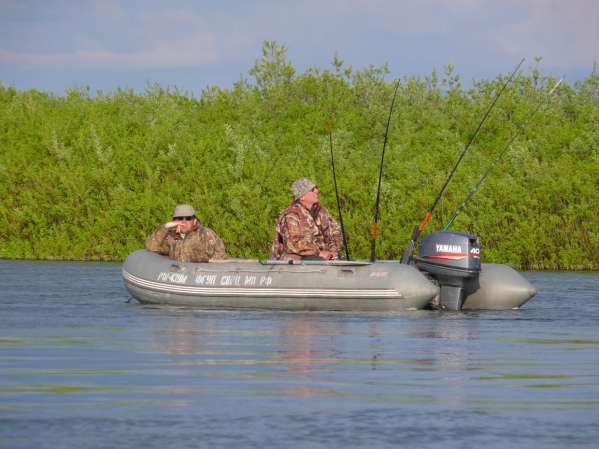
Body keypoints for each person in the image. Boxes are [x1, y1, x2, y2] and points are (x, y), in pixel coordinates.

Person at [271, 177, 343, 260]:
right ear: (302, 197)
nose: (317, 191)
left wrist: (332, 253)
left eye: (316, 188)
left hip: (320, 260)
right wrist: (318, 253)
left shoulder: (320, 211)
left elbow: (335, 232)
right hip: (294, 263)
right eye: (312, 190)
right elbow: (294, 244)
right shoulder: (291, 215)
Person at [146, 204, 226, 262]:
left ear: (194, 221)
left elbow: (221, 256)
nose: (183, 221)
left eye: (188, 218)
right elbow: (152, 247)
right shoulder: (172, 237)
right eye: (179, 218)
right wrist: (165, 227)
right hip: (178, 277)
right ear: (174, 221)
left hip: (198, 276)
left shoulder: (205, 234)